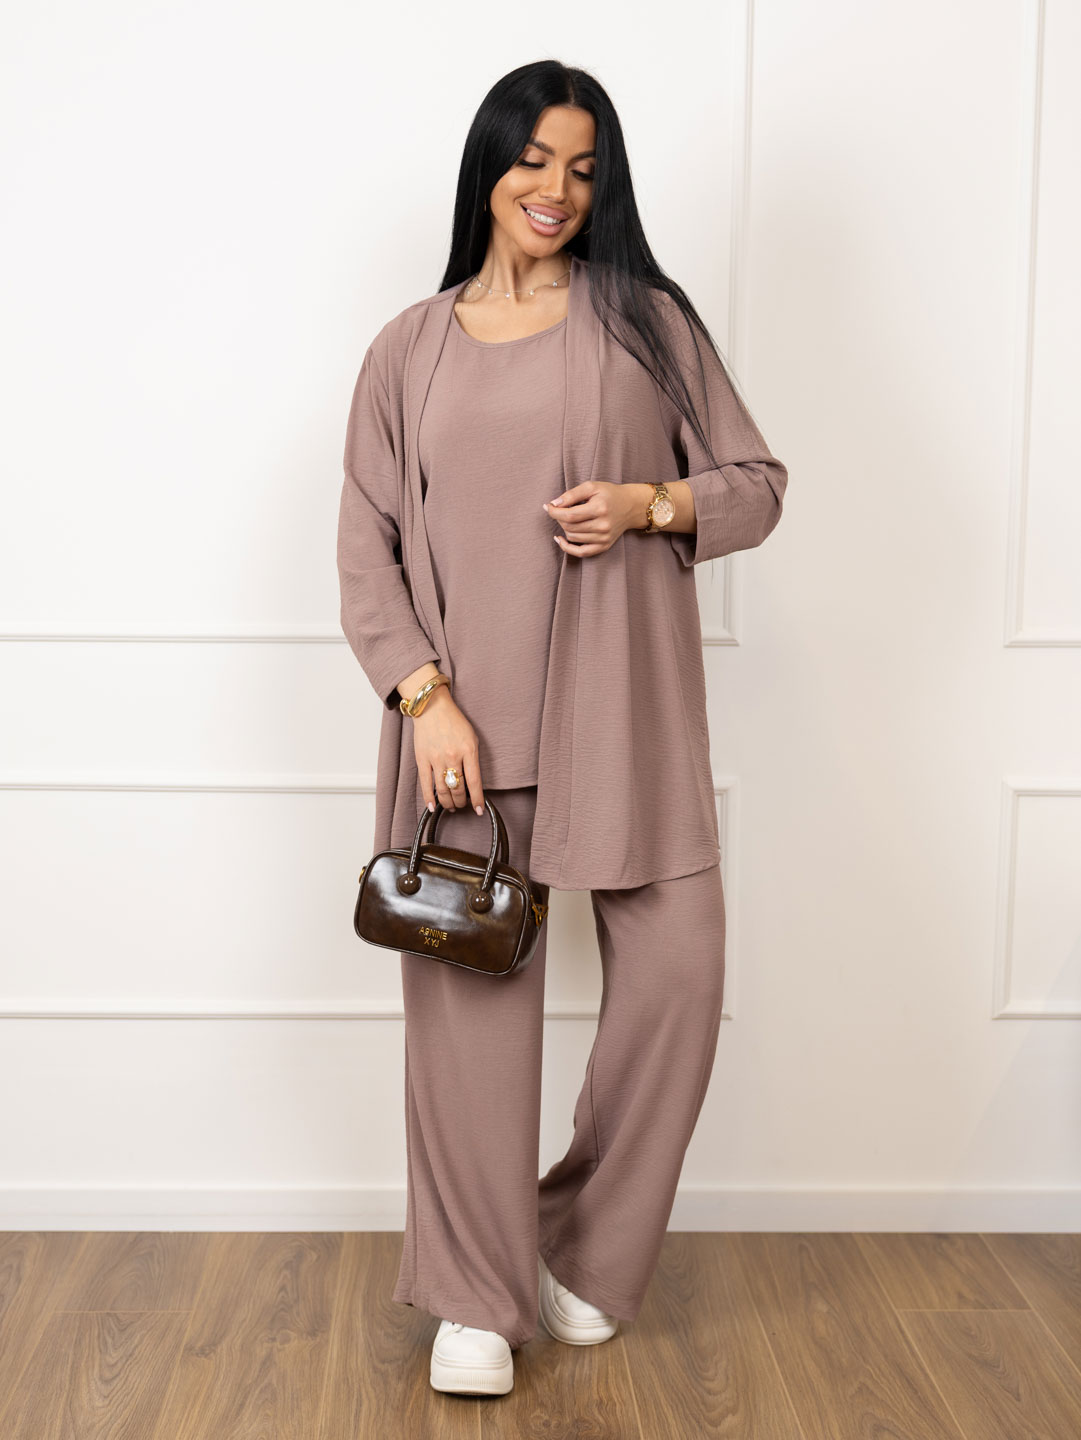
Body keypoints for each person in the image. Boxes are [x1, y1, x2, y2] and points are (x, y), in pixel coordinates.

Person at [336, 59, 789, 1398]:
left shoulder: (645, 321)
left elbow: (756, 485)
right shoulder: (408, 348)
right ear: (489, 163)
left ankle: (579, 1249)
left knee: (680, 979)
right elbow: (365, 547)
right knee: (470, 1030)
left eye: (584, 169)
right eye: (534, 159)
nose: (556, 189)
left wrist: (652, 504)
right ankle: (474, 1297)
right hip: (462, 737)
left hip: (623, 714)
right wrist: (423, 698)